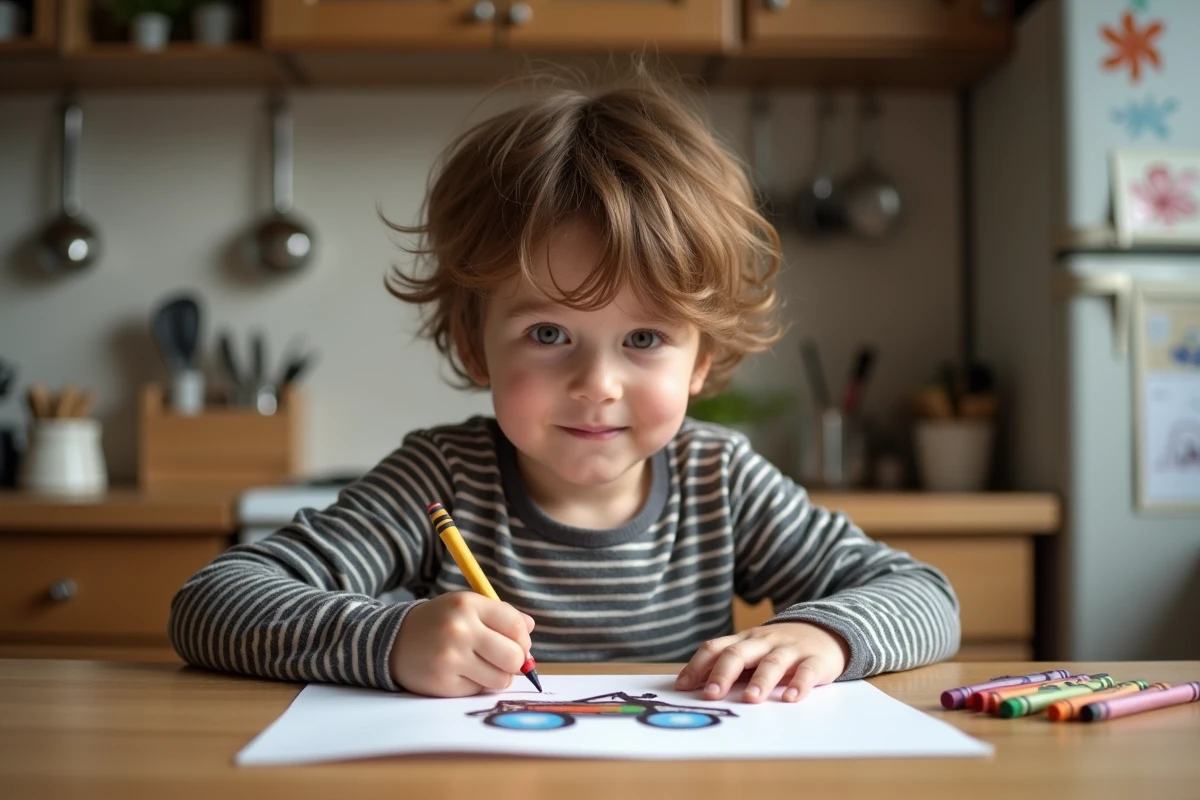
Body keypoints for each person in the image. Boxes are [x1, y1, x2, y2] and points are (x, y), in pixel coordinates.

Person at [169, 68, 959, 705]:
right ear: (474, 343)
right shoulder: (438, 482)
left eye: (645, 339)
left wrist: (827, 636)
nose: (597, 384)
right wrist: (390, 639)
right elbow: (212, 602)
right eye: (548, 335)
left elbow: (925, 597)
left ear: (703, 360)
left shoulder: (720, 481)